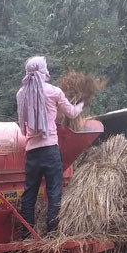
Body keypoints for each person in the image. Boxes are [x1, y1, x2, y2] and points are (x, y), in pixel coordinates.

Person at [16, 55, 83, 235]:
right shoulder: (53, 91)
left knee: (30, 192)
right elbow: (71, 113)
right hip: (50, 148)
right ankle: (53, 230)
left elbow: (21, 121)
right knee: (54, 189)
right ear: (43, 70)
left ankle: (26, 232)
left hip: (31, 152)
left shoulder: (21, 94)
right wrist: (81, 104)